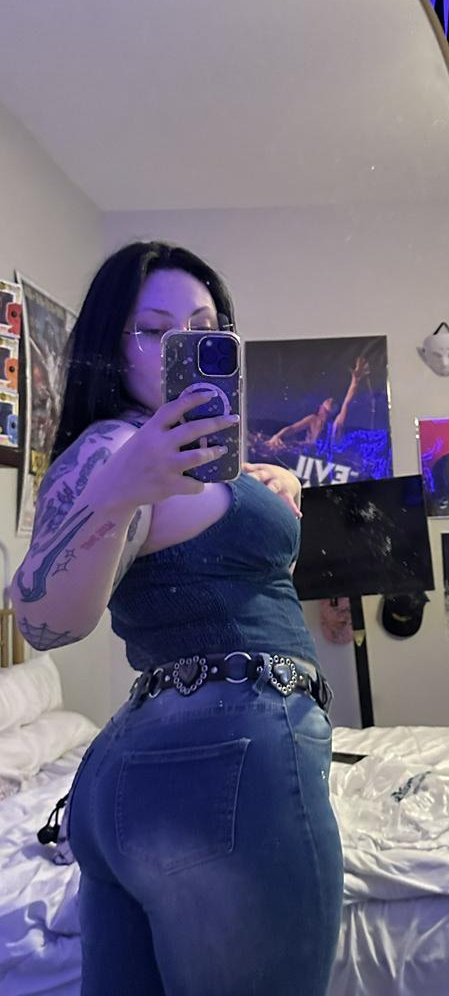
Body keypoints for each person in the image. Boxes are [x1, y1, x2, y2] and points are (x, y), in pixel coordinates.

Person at [9, 241, 344, 996]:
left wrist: (264, 488)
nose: (182, 347)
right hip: (227, 754)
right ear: (110, 348)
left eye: (202, 329)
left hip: (145, 765)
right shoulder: (120, 447)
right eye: (155, 331)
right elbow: (43, 620)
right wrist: (123, 485)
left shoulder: (179, 456)